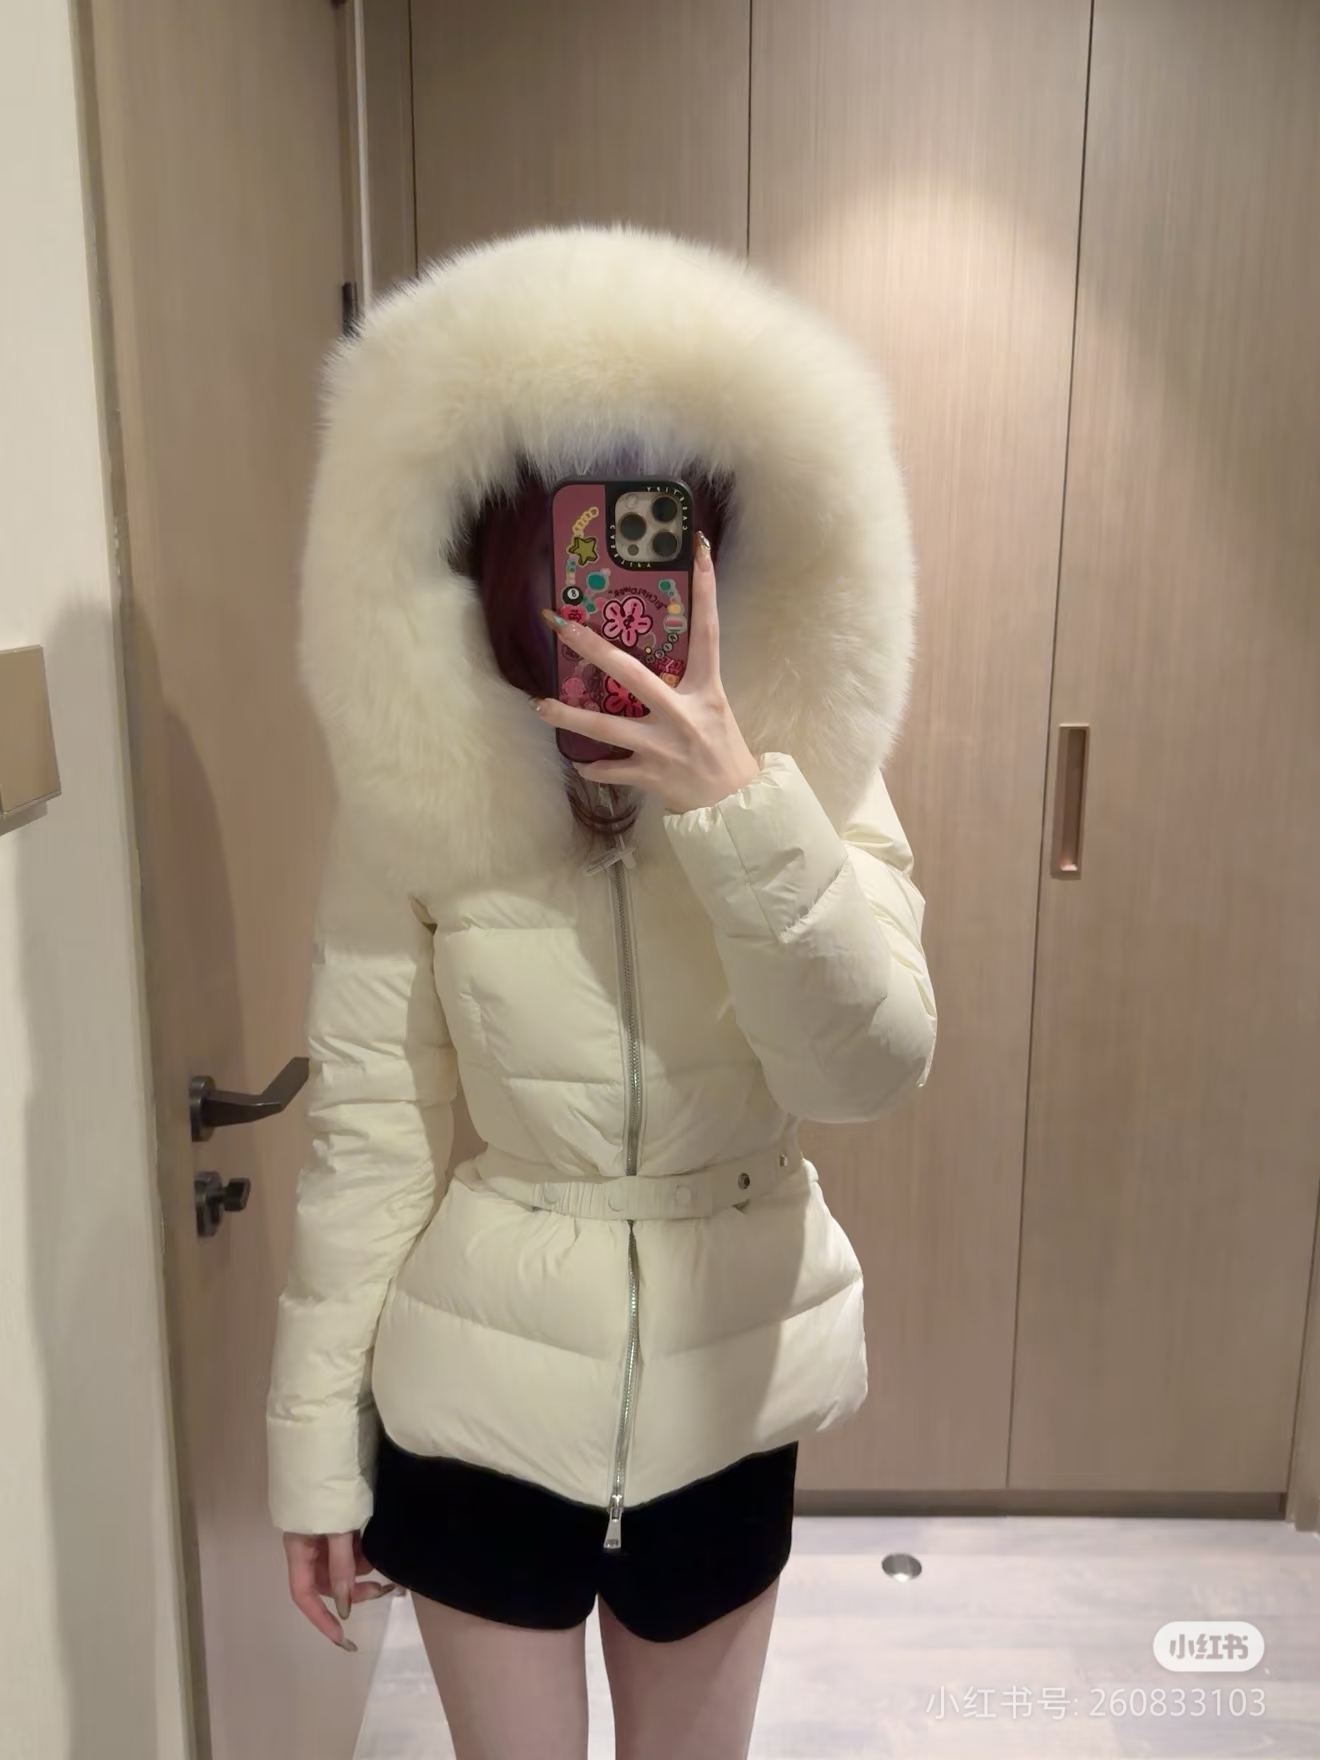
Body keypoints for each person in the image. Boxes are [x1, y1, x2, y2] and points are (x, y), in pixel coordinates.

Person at [265, 223, 938, 1760]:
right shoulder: (416, 792)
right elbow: (369, 1137)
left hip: (726, 1394)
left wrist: (735, 805)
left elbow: (870, 1070)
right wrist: (313, 1453)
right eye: (577, 532)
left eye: (659, 528)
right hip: (474, 1405)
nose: (614, 578)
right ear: (496, 545)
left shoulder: (808, 771)